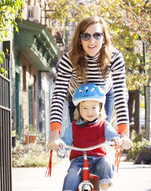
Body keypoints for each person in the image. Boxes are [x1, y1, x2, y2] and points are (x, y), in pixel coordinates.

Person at [49, 16, 132, 151]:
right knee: (78, 141)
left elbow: (121, 93)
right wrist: (55, 135)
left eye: (97, 35)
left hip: (104, 97)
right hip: (77, 99)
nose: (92, 41)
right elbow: (58, 95)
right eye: (86, 36)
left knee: (103, 136)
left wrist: (124, 134)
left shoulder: (115, 57)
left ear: (104, 38)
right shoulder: (68, 59)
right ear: (80, 40)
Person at [53, 84, 122, 191]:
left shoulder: (103, 125)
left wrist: (115, 139)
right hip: (78, 160)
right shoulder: (73, 127)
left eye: (93, 108)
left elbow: (112, 134)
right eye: (84, 108)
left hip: (98, 159)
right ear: (78, 109)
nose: (89, 111)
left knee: (106, 163)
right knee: (72, 173)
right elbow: (65, 141)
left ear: (100, 108)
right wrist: (60, 144)